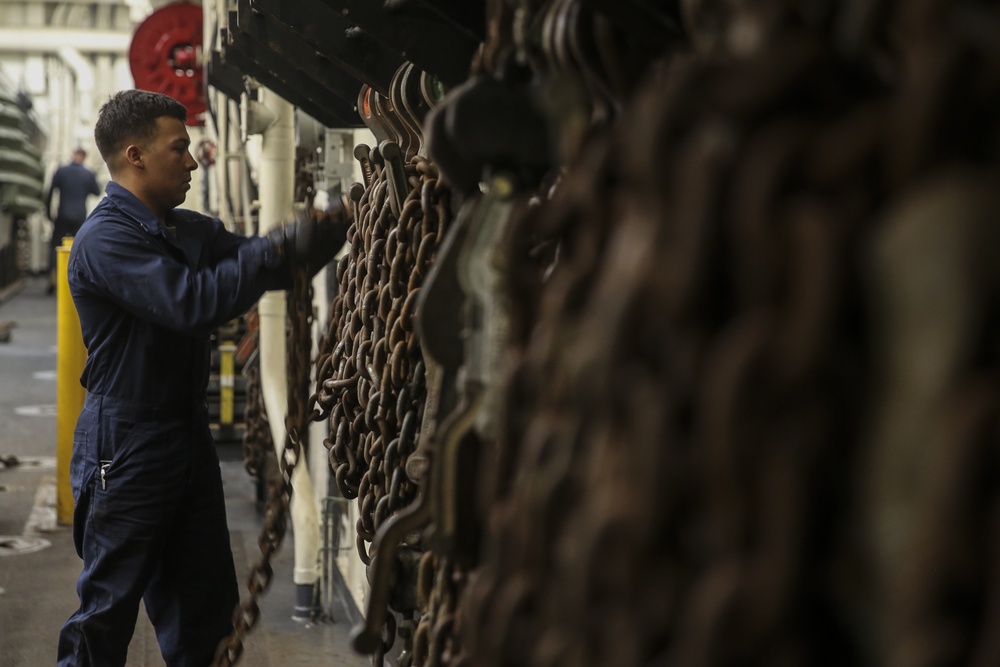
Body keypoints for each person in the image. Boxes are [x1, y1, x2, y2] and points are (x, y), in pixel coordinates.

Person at [56, 89, 347, 667]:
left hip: (186, 437)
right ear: (135, 156)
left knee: (205, 615)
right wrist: (278, 246)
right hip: (126, 441)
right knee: (106, 618)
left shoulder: (189, 230)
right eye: (180, 148)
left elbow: (269, 266)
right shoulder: (105, 239)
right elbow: (191, 302)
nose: (192, 161)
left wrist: (327, 232)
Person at [45, 147, 100, 293]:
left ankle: (53, 280)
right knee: (79, 248)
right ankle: (77, 282)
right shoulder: (88, 174)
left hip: (62, 214)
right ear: (84, 157)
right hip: (79, 216)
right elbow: (97, 191)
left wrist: (48, 213)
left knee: (55, 246)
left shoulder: (61, 171)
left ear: (73, 155)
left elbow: (50, 192)